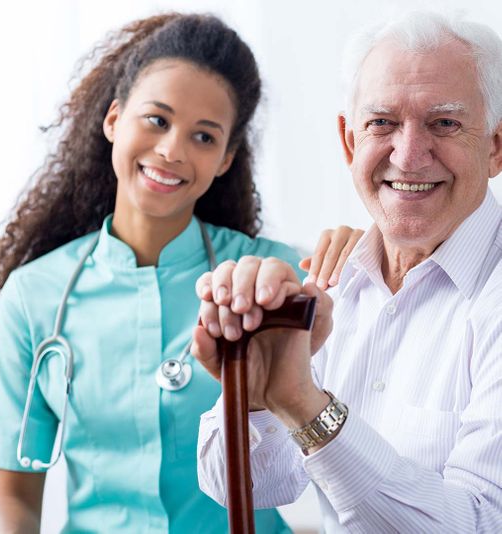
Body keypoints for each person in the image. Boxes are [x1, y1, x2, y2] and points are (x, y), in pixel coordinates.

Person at [0, 13, 358, 534]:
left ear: (225, 159)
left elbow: (376, 338)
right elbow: (14, 500)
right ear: (113, 120)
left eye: (203, 136)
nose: (172, 150)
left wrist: (369, 254)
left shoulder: (273, 276)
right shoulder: (36, 294)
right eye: (157, 120)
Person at [193, 10, 502, 533]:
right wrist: (251, 397)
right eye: (382, 123)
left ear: (495, 145)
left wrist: (305, 407)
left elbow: (480, 522)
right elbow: (246, 487)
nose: (407, 156)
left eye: (444, 123)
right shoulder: (330, 281)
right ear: (348, 140)